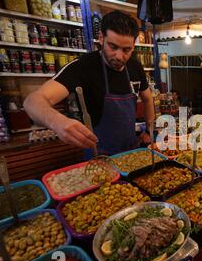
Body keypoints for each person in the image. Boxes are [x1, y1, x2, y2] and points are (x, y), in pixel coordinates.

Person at [23, 10, 154, 156]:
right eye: (113, 47)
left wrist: (149, 131)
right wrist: (57, 122)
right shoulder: (83, 66)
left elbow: (148, 99)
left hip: (131, 151)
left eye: (126, 50)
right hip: (100, 156)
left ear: (133, 46)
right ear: (101, 38)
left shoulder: (135, 66)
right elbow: (32, 101)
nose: (119, 56)